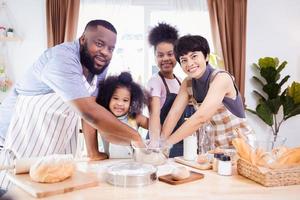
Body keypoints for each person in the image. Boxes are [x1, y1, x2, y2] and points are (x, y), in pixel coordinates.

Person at [0, 20, 144, 189]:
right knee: (20, 189)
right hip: (17, 138)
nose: (105, 52)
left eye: (111, 48)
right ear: (83, 39)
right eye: (99, 44)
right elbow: (89, 112)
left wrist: (93, 152)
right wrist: (136, 137)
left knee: (54, 186)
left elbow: (92, 105)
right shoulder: (62, 59)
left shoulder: (98, 64)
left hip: (56, 137)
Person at [161, 35, 253, 151]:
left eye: (194, 56)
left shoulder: (221, 78)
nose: (189, 63)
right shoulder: (187, 83)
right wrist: (160, 143)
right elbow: (174, 114)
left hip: (241, 149)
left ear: (206, 57)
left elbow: (201, 117)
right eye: (184, 60)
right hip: (215, 150)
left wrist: (168, 144)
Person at [147, 23, 194, 157]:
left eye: (170, 54)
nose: (165, 59)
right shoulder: (155, 82)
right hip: (160, 142)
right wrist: (156, 145)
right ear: (155, 57)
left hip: (179, 142)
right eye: (160, 55)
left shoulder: (181, 81)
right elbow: (154, 115)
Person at [83, 72, 148, 159]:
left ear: (131, 102)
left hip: (132, 165)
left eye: (125, 100)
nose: (120, 103)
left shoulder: (134, 117)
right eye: (115, 98)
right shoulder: (102, 117)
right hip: (110, 165)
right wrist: (95, 152)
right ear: (108, 97)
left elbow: (155, 127)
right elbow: (87, 118)